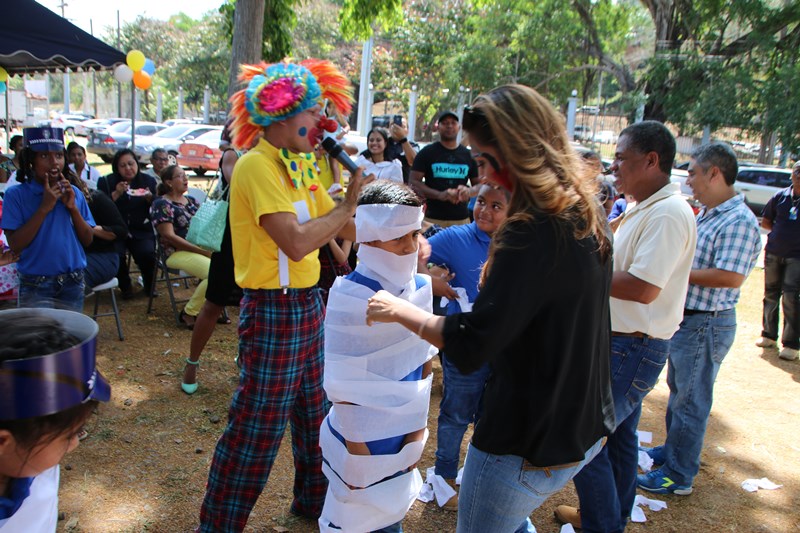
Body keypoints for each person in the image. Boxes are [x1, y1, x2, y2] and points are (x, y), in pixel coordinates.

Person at [365, 84, 615, 533]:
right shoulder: (582, 210)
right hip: (582, 420)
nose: (480, 179)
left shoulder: (530, 231)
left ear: (516, 153)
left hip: (526, 437)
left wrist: (400, 310)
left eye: (483, 161)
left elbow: (473, 343)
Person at [198, 59, 370, 532]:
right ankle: (218, 525)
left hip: (309, 305)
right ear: (283, 114)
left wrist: (388, 220)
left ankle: (314, 503)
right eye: (315, 112)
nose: (323, 123)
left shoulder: (301, 164)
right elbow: (295, 241)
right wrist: (348, 204)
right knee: (256, 429)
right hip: (273, 311)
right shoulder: (256, 166)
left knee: (316, 415)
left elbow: (342, 227)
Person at [555, 121, 697, 533]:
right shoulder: (643, 205)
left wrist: (577, 273)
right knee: (616, 440)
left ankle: (601, 524)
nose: (612, 166)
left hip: (632, 346)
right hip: (619, 341)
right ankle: (608, 519)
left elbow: (643, 287)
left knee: (583, 438)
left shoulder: (668, 212)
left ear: (651, 160)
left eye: (621, 158)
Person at [637, 142, 761, 496]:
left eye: (693, 173)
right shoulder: (709, 213)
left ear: (714, 173)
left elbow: (731, 276)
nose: (688, 180)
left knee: (691, 401)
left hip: (707, 323)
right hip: (691, 321)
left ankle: (678, 475)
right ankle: (673, 452)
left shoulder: (738, 220)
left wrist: (676, 271)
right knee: (681, 394)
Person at [319, 180, 435, 533]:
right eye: (397, 237)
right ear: (368, 237)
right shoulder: (349, 295)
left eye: (414, 234)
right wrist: (358, 457)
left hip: (404, 433)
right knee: (354, 515)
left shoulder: (421, 288)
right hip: (360, 439)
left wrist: (415, 435)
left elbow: (424, 362)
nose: (409, 246)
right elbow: (342, 385)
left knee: (390, 515)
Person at [421, 183, 509, 511]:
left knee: (493, 417)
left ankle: (479, 479)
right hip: (465, 346)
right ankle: (444, 478)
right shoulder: (456, 237)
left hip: (506, 351)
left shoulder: (522, 243)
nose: (484, 210)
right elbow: (412, 253)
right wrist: (430, 280)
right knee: (456, 414)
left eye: (496, 206)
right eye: (481, 202)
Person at [0, 308, 110, 531]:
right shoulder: (29, 458)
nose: (75, 443)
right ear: (2, 442)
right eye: (69, 435)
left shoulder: (30, 462)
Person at [0, 127, 94, 311]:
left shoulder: (74, 193)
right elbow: (16, 245)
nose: (54, 162)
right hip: (36, 283)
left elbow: (88, 239)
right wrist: (44, 208)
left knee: (70, 330)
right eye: (44, 156)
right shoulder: (16, 195)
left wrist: (73, 209)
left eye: (58, 155)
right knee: (37, 330)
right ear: (31, 160)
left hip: (72, 280)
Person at [181, 129, 240, 395]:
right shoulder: (233, 154)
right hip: (230, 242)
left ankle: (245, 360)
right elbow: (237, 185)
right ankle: (192, 363)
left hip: (258, 243)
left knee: (252, 307)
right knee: (213, 304)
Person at [150, 165, 209, 329]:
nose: (185, 179)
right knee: (215, 273)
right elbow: (169, 236)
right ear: (169, 182)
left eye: (185, 175)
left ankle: (209, 308)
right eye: (180, 176)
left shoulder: (192, 201)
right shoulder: (162, 204)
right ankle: (189, 312)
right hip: (176, 253)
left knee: (227, 267)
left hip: (199, 249)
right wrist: (201, 251)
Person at [97, 149, 157, 299]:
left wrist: (150, 197)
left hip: (141, 228)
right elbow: (100, 208)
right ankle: (125, 287)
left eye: (131, 164)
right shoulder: (106, 182)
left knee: (147, 253)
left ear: (137, 164)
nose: (128, 168)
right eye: (123, 166)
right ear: (116, 168)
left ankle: (149, 285)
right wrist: (116, 193)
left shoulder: (148, 181)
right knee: (116, 255)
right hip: (116, 230)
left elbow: (158, 205)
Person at [755, 160, 800, 361]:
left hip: (797, 257)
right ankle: (768, 335)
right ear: (792, 175)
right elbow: (766, 221)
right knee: (770, 294)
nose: (799, 176)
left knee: (791, 297)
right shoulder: (780, 197)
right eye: (797, 172)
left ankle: (790, 344)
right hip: (774, 252)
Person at [409, 111, 478, 227]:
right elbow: (413, 182)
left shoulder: (468, 155)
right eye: (445, 123)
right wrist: (439, 195)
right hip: (431, 219)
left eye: (453, 123)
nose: (449, 126)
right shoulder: (427, 153)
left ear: (459, 127)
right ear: (438, 127)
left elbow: (480, 185)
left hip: (461, 220)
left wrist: (468, 192)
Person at [64, 170, 127, 292]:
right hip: (70, 257)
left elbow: (121, 231)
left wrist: (87, 227)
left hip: (101, 255)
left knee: (70, 280)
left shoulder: (96, 199)